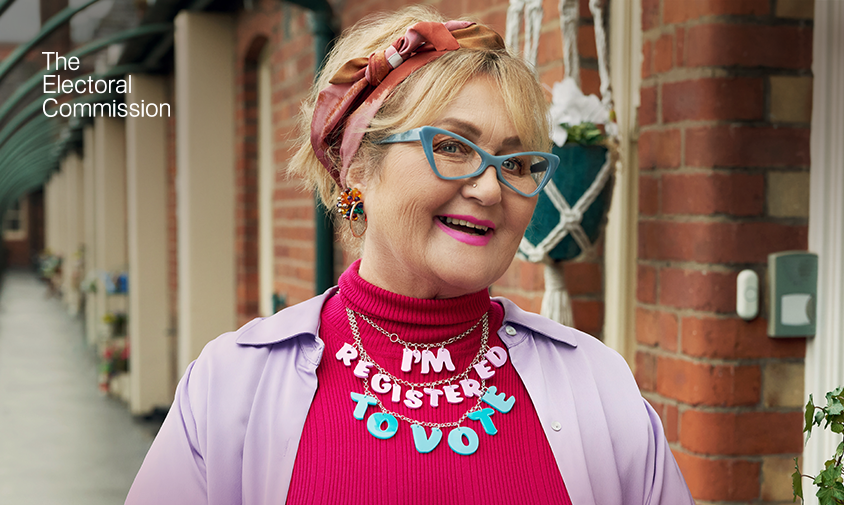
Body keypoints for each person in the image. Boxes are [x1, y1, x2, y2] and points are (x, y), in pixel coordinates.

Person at [126, 6, 694, 505]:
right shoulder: (232, 387)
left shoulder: (599, 388)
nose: (492, 189)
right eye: (450, 146)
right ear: (358, 169)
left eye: (517, 162)